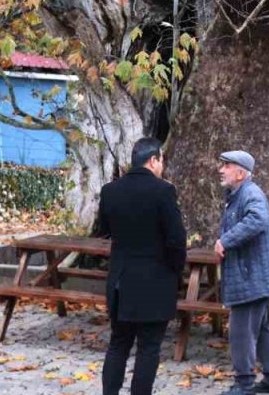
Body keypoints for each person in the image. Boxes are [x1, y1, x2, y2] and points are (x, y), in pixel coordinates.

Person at [97, 137, 187, 395]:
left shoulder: (110, 190)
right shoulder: (164, 191)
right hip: (155, 282)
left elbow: (104, 230)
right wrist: (176, 271)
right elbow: (177, 240)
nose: (162, 166)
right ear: (153, 160)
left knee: (118, 344)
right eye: (161, 160)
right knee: (149, 349)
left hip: (120, 281)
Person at [215, 150, 269, 395]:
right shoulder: (238, 194)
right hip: (253, 276)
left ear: (241, 172)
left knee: (241, 331)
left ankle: (244, 384)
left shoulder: (250, 192)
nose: (221, 169)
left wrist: (225, 241)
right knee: (263, 330)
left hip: (251, 278)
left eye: (226, 165)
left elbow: (258, 219)